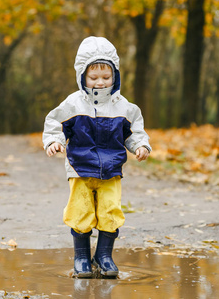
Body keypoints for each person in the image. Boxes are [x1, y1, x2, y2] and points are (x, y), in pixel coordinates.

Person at [43, 36, 151, 278]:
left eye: (106, 77)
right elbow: (55, 123)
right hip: (80, 168)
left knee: (110, 211)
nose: (100, 83)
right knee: (80, 211)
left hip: (111, 170)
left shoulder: (124, 107)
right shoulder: (74, 103)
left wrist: (140, 146)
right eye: (93, 78)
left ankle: (103, 255)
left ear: (115, 76)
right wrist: (53, 141)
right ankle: (81, 257)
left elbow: (134, 132)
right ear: (82, 76)